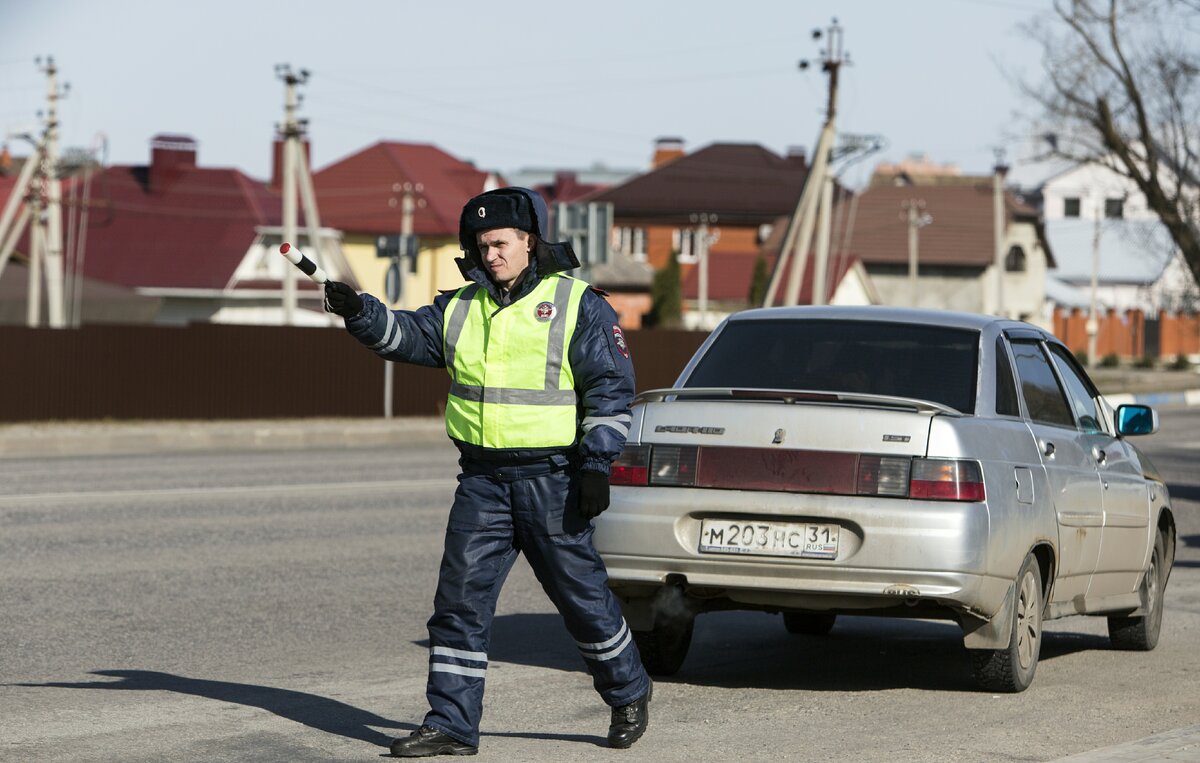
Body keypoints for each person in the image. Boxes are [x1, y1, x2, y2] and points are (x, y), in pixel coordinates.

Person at [322, 186, 652, 757]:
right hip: (482, 482)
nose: (490, 253)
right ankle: (451, 724)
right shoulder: (460, 306)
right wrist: (359, 311)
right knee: (458, 604)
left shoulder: (578, 305)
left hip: (556, 480)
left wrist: (597, 465)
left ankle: (628, 691)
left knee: (582, 600)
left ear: (529, 241)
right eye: (482, 244)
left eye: (500, 242)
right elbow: (404, 336)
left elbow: (610, 391)